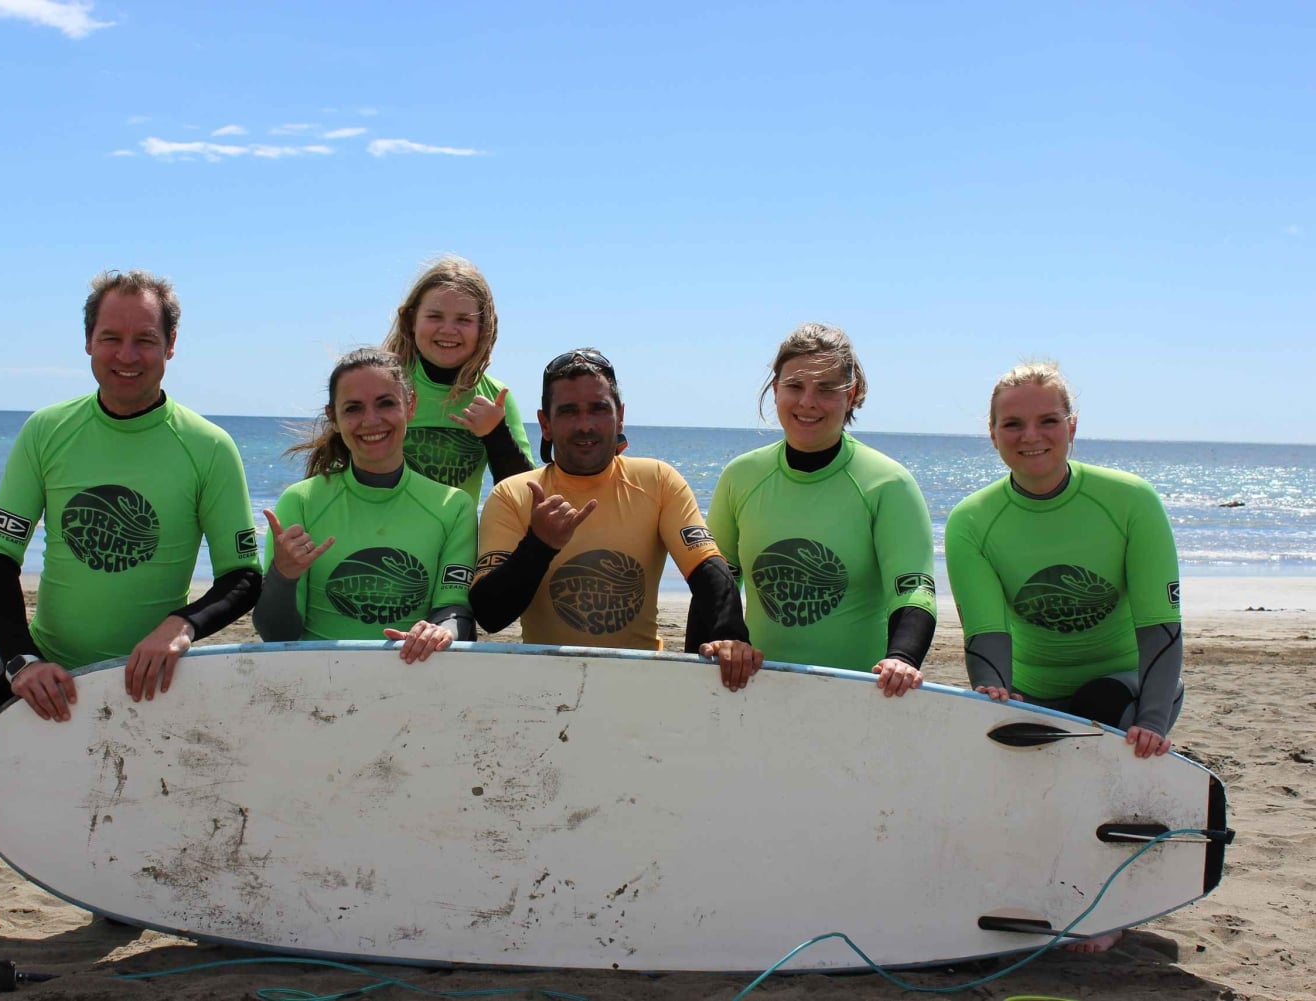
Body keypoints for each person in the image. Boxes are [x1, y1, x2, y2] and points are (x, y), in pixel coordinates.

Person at [0, 270, 263, 944]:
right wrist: (22, 658)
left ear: (170, 346)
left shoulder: (208, 446)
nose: (127, 355)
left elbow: (243, 576)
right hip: (50, 670)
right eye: (111, 338)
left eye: (144, 339)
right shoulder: (49, 432)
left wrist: (180, 625)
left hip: (147, 684)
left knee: (118, 912)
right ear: (88, 343)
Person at [944, 361, 1184, 953]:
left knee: (1101, 716)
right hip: (1036, 686)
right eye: (1014, 423)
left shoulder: (1128, 501)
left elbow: (1161, 625)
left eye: (1048, 420)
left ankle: (1109, 907)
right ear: (994, 435)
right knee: (1008, 763)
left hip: (1131, 683)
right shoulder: (972, 522)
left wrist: (1152, 719)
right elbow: (985, 634)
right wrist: (995, 695)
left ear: (1072, 427)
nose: (1032, 436)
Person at [470, 348, 762, 690]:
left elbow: (708, 570)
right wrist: (539, 545)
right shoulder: (514, 494)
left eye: (599, 409)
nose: (585, 425)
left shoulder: (658, 480)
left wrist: (729, 636)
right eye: (568, 412)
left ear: (620, 416)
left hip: (638, 682)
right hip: (545, 688)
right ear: (545, 423)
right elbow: (489, 615)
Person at [706, 323, 937, 696]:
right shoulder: (741, 476)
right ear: (776, 388)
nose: (808, 402)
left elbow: (913, 590)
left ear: (852, 394)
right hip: (756, 687)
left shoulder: (888, 483)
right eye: (795, 386)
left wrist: (902, 658)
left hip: (860, 692)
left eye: (827, 389)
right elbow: (718, 580)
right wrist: (726, 639)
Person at [252, 348, 477, 660]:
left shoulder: (452, 507)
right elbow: (277, 635)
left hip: (412, 677)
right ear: (333, 417)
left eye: (386, 403)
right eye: (353, 409)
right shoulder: (301, 501)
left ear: (410, 407)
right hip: (318, 683)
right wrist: (283, 575)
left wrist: (441, 632)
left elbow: (454, 609)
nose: (371, 421)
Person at [379, 256, 533, 502]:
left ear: (484, 328)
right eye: (435, 316)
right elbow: (336, 470)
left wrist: (496, 434)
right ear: (411, 321)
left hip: (457, 539)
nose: (448, 330)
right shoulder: (381, 387)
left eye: (464, 320)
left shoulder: (495, 398)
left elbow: (525, 496)